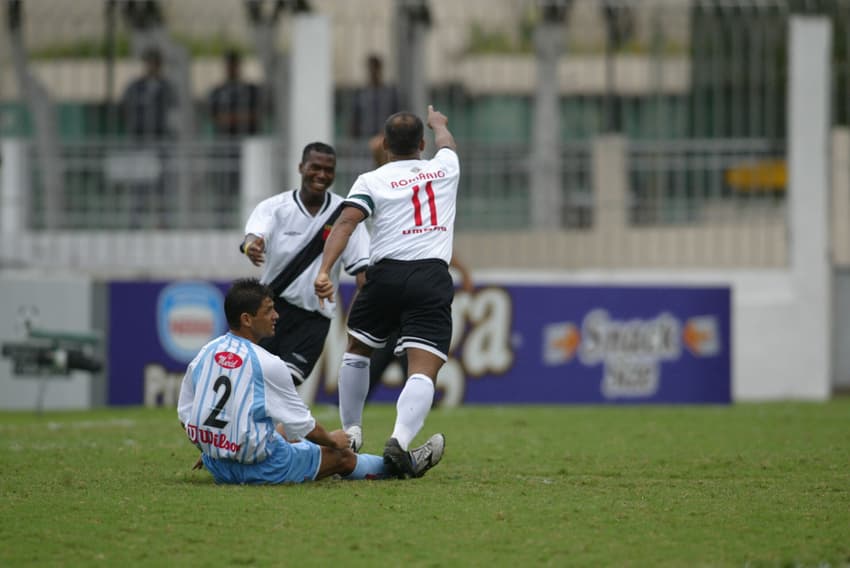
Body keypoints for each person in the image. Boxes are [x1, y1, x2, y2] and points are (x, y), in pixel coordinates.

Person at [177, 278, 444, 484]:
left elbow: (186, 415)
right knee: (342, 457)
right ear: (247, 319)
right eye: (269, 311)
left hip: (217, 465)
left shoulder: (206, 353)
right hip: (263, 469)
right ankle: (408, 464)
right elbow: (304, 426)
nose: (276, 316)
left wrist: (216, 447)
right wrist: (333, 440)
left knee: (281, 430)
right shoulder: (267, 363)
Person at [315, 105, 460, 478]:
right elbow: (448, 144)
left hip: (384, 276)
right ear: (422, 144)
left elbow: (346, 223)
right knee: (423, 368)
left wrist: (325, 270)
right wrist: (439, 124)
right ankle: (399, 438)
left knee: (358, 349)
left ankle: (351, 431)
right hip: (430, 276)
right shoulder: (446, 167)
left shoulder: (370, 180)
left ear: (384, 145)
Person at [241, 142, 370, 386]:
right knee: (254, 380)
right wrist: (250, 246)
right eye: (315, 167)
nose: (321, 175)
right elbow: (253, 235)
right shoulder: (275, 207)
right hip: (270, 309)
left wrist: (372, 305)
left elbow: (362, 268)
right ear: (301, 167)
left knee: (286, 381)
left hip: (314, 316)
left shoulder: (346, 214)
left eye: (328, 170)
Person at [367, 255, 474, 401]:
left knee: (414, 371)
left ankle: (423, 402)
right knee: (380, 368)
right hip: (394, 316)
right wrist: (463, 272)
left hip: (408, 318)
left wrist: (463, 272)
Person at [120, 47, 176, 228]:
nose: (152, 66)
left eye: (155, 63)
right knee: (139, 182)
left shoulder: (166, 87)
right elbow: (125, 109)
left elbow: (173, 112)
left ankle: (162, 221)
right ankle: (135, 221)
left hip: (160, 140)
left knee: (162, 183)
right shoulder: (136, 87)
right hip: (140, 141)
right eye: (149, 62)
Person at [208, 50, 262, 227]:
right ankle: (222, 225)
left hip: (246, 149)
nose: (231, 68)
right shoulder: (219, 91)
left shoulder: (250, 90)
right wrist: (238, 118)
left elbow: (256, 115)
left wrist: (233, 118)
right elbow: (215, 117)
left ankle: (252, 225)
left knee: (250, 188)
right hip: (224, 147)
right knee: (223, 189)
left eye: (234, 65)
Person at [350, 54, 400, 167]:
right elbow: (355, 118)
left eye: (375, 67)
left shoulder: (389, 93)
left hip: (385, 139)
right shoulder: (361, 93)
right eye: (371, 67)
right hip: (365, 138)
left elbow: (395, 115)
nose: (373, 71)